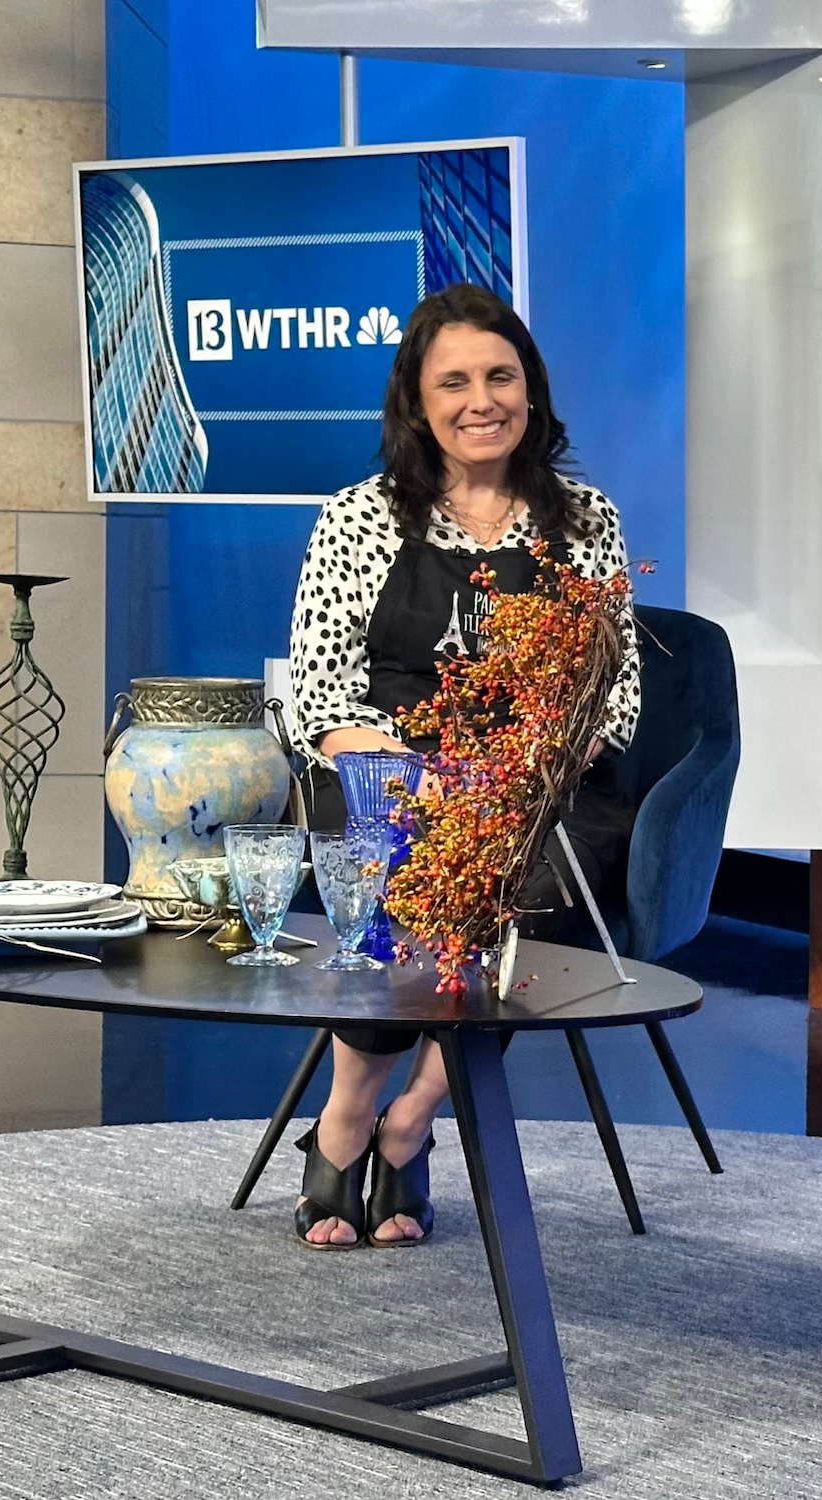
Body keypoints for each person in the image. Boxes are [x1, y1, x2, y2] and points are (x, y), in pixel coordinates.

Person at [284, 283, 642, 1250]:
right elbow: (320, 694)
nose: (482, 401)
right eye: (455, 382)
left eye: (500, 377)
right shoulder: (360, 518)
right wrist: (419, 775)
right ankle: (351, 1110)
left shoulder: (584, 521)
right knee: (399, 864)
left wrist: (517, 779)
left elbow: (613, 693)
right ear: (417, 400)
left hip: (538, 786)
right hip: (390, 774)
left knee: (523, 879)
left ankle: (412, 1117)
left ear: (531, 390)